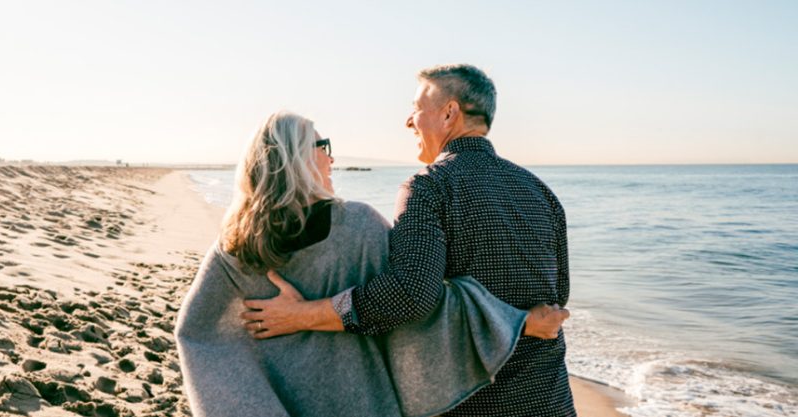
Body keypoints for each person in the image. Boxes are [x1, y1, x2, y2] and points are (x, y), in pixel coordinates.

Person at [175, 111, 567, 417]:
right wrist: (518, 321)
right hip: (361, 402)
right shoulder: (356, 226)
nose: (331, 156)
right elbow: (419, 303)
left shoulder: (234, 245)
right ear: (294, 157)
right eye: (322, 144)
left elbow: (197, 336)